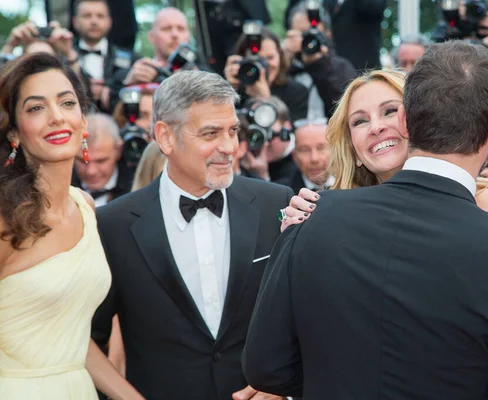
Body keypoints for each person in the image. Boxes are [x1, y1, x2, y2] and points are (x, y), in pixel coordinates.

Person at [242, 40, 488, 399]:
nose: (377, 127)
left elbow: (268, 365)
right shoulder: (309, 216)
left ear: (410, 118)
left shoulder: (315, 221)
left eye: (389, 111)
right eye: (360, 120)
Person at [91, 70, 292, 400]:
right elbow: (87, 338)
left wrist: (281, 384)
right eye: (210, 133)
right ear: (166, 137)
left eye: (232, 131)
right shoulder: (113, 225)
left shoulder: (276, 204)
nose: (229, 147)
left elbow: (303, 314)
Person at [0, 53, 143, 400]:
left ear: (83, 120)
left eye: (67, 103)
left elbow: (71, 339)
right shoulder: (5, 217)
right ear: (15, 131)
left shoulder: (85, 207)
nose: (56, 117)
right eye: (36, 108)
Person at [225, 27, 309, 122]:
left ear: (280, 57)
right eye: (256, 59)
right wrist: (228, 90)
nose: (263, 66)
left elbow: (291, 134)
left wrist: (266, 100)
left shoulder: (296, 92)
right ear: (242, 60)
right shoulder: (235, 93)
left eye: (270, 58)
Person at [72, 0, 139, 113]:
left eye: (100, 16)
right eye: (87, 16)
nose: (94, 21)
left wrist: (113, 91)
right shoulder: (62, 59)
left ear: (109, 21)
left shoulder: (132, 60)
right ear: (75, 22)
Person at [72, 113, 134, 207]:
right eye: (82, 161)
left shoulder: (136, 184)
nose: (91, 171)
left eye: (100, 161)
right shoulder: (57, 186)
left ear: (119, 150)